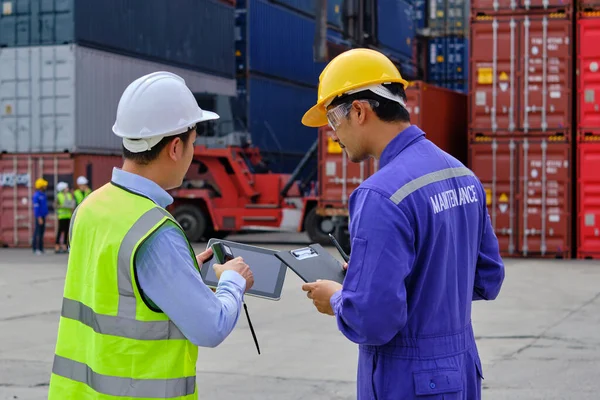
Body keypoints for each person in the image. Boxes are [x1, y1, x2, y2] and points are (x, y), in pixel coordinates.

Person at [300, 48, 505, 400]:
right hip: (461, 373)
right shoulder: (463, 176)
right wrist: (377, 278)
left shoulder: (380, 194)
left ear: (360, 111)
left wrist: (338, 298)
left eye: (333, 121)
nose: (333, 135)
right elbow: (488, 279)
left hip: (408, 381)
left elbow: (373, 320)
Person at [48, 71, 255, 400]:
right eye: (193, 144)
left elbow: (117, 288)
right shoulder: (155, 232)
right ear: (175, 147)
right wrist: (234, 281)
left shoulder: (88, 208)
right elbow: (210, 327)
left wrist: (183, 271)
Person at [54, 181, 74, 254]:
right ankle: (57, 246)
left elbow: (71, 203)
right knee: (60, 231)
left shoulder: (69, 195)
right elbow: (55, 205)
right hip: (62, 216)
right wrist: (61, 206)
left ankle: (65, 246)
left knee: (66, 232)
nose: (67, 189)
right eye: (66, 188)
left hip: (68, 215)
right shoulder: (59, 196)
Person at [32, 178, 49, 255]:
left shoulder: (43, 195)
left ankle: (41, 248)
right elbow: (36, 207)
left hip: (43, 216)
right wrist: (39, 217)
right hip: (39, 217)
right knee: (37, 232)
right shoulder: (37, 196)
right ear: (41, 186)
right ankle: (36, 248)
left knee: (42, 232)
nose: (46, 186)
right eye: (44, 185)